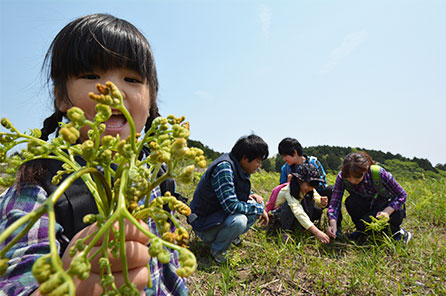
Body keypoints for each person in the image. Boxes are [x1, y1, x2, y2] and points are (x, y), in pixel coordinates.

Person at [0, 14, 187, 296]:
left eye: (132, 79)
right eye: (91, 76)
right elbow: (17, 277)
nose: (113, 90)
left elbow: (168, 269)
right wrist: (68, 286)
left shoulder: (155, 174)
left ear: (151, 103)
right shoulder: (39, 183)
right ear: (62, 99)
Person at [189, 135, 269, 263]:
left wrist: (251, 195)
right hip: (203, 223)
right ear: (245, 158)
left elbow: (234, 188)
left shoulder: (238, 166)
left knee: (257, 202)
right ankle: (217, 251)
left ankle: (231, 237)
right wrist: (259, 209)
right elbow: (231, 206)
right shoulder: (224, 168)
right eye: (258, 161)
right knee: (240, 221)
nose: (259, 165)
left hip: (217, 216)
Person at [326, 151, 412, 243]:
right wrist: (332, 223)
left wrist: (387, 212)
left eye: (357, 178)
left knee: (367, 222)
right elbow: (335, 202)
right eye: (349, 178)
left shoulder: (379, 173)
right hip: (369, 209)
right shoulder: (341, 177)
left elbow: (402, 194)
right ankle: (362, 231)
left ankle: (399, 233)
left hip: (389, 209)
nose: (353, 181)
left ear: (365, 169)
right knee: (350, 201)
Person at [278, 137, 342, 236]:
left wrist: (314, 192)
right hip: (297, 198)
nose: (284, 159)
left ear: (294, 152)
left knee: (331, 190)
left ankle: (336, 227)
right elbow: (282, 188)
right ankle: (297, 227)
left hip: (315, 196)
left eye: (285, 156)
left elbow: (323, 183)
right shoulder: (286, 168)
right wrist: (291, 183)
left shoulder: (313, 162)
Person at [268, 163, 331, 243]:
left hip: (294, 218)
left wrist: (322, 202)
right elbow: (297, 211)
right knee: (289, 206)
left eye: (314, 186)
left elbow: (317, 199)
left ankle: (300, 229)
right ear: (299, 180)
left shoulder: (309, 190)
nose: (311, 188)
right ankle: (283, 232)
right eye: (310, 184)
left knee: (312, 203)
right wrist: (316, 231)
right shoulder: (289, 190)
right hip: (279, 218)